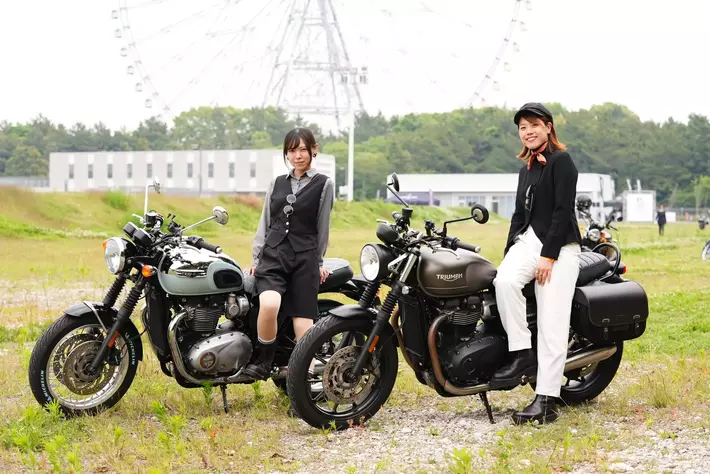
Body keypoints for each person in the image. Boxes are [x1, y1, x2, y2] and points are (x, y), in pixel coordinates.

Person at [490, 103, 582, 425]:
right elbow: (518, 215)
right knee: (503, 281)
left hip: (560, 245)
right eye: (522, 128)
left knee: (551, 321)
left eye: (533, 125)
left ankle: (546, 401)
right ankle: (521, 353)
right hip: (527, 242)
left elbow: (562, 211)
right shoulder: (525, 169)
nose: (527, 132)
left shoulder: (561, 161)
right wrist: (509, 252)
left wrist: (549, 255)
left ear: (548, 127)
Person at [241, 127, 335, 381]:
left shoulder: (324, 184)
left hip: (305, 259)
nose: (297, 156)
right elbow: (265, 222)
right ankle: (263, 361)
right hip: (274, 255)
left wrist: (318, 262)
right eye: (292, 151)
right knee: (269, 304)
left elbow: (322, 227)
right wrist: (256, 259)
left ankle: (304, 384)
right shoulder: (277, 183)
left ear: (314, 150)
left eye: (303, 149)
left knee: (303, 324)